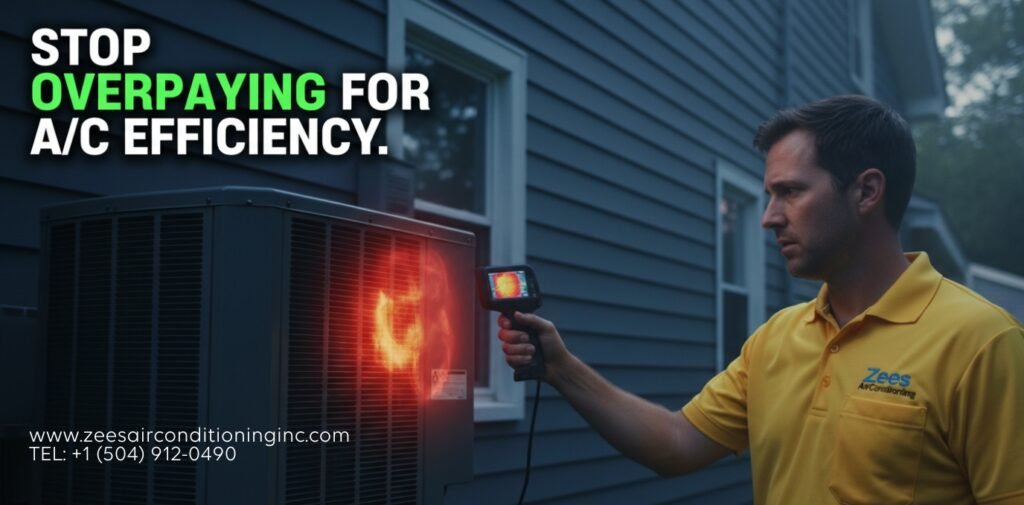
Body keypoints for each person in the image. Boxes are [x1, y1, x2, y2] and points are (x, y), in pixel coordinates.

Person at [497, 95, 1024, 505]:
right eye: (770, 195)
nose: (769, 216)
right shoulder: (775, 340)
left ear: (866, 191)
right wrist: (562, 368)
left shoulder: (981, 341)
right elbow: (676, 443)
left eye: (790, 192)